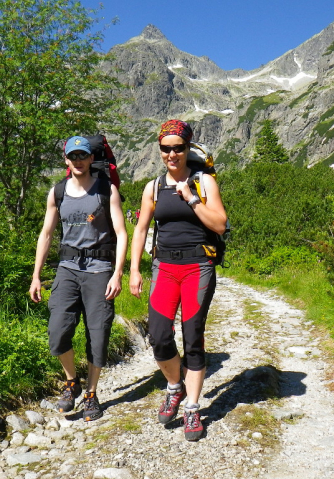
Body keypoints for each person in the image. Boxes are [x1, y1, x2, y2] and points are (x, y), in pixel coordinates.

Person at [129, 120, 227, 441]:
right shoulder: (153, 187)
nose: (172, 154)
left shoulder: (204, 182)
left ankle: (193, 408)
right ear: (160, 151)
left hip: (199, 267)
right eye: (166, 148)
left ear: (188, 148)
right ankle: (175, 387)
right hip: (165, 267)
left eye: (179, 147)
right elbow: (141, 229)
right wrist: (133, 269)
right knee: (158, 336)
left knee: (193, 336)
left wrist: (191, 198)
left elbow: (220, 224)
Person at [29, 135, 127, 421]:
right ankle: (71, 381)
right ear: (66, 160)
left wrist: (117, 272)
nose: (79, 161)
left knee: (98, 335)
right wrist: (36, 276)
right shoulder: (57, 191)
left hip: (99, 270)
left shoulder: (106, 190)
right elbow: (46, 234)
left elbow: (121, 233)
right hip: (68, 269)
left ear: (90, 158)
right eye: (73, 156)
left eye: (83, 155)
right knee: (58, 333)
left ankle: (92, 393)